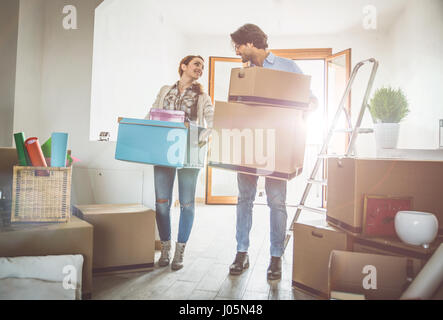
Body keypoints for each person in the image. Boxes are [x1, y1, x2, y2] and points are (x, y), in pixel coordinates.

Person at [229, 24, 318, 280]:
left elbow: (312, 100)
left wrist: (298, 111)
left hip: (277, 144)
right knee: (244, 199)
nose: (237, 52)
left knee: (276, 201)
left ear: (250, 43)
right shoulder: (244, 74)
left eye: (238, 45)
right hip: (249, 143)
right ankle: (241, 253)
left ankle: (276, 257)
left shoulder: (287, 66)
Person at [146, 55, 214, 270]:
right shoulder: (166, 89)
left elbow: (212, 122)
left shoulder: (203, 96)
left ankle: (179, 251)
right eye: (196, 64)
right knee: (162, 203)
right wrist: (139, 130)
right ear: (183, 66)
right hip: (163, 150)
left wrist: (203, 138)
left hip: (189, 151)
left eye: (202, 67)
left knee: (186, 203)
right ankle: (165, 248)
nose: (200, 69)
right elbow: (151, 114)